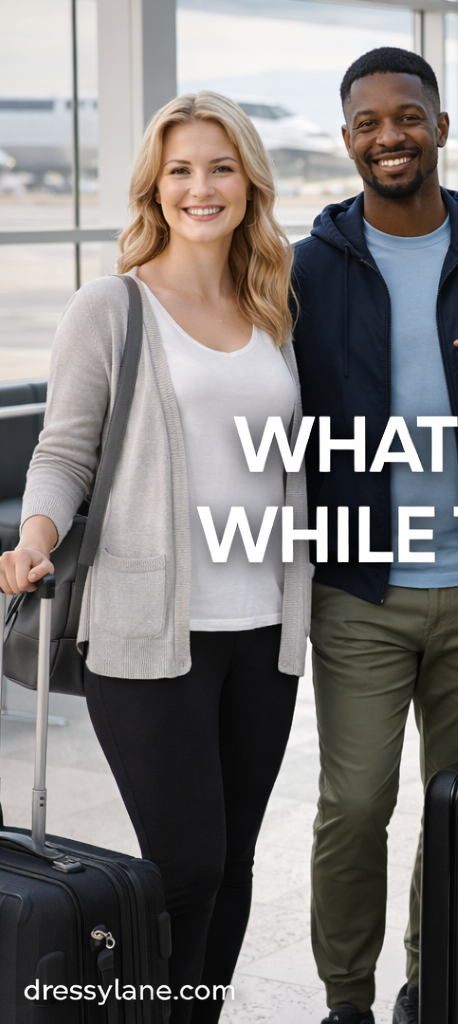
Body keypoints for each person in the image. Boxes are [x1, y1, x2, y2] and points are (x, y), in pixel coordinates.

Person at [0, 92, 310, 1024]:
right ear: (155, 186)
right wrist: (34, 537)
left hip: (265, 631)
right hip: (147, 631)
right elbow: (64, 450)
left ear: (248, 181)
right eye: (180, 170)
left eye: (220, 167)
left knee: (237, 864)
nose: (200, 187)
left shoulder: (273, 308)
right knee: (186, 866)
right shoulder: (114, 306)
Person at [290, 48, 458, 1024]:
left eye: (408, 116)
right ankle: (346, 1001)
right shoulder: (305, 270)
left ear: (441, 128)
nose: (390, 135)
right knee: (355, 803)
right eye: (368, 121)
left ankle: (428, 983)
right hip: (359, 588)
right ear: (349, 138)